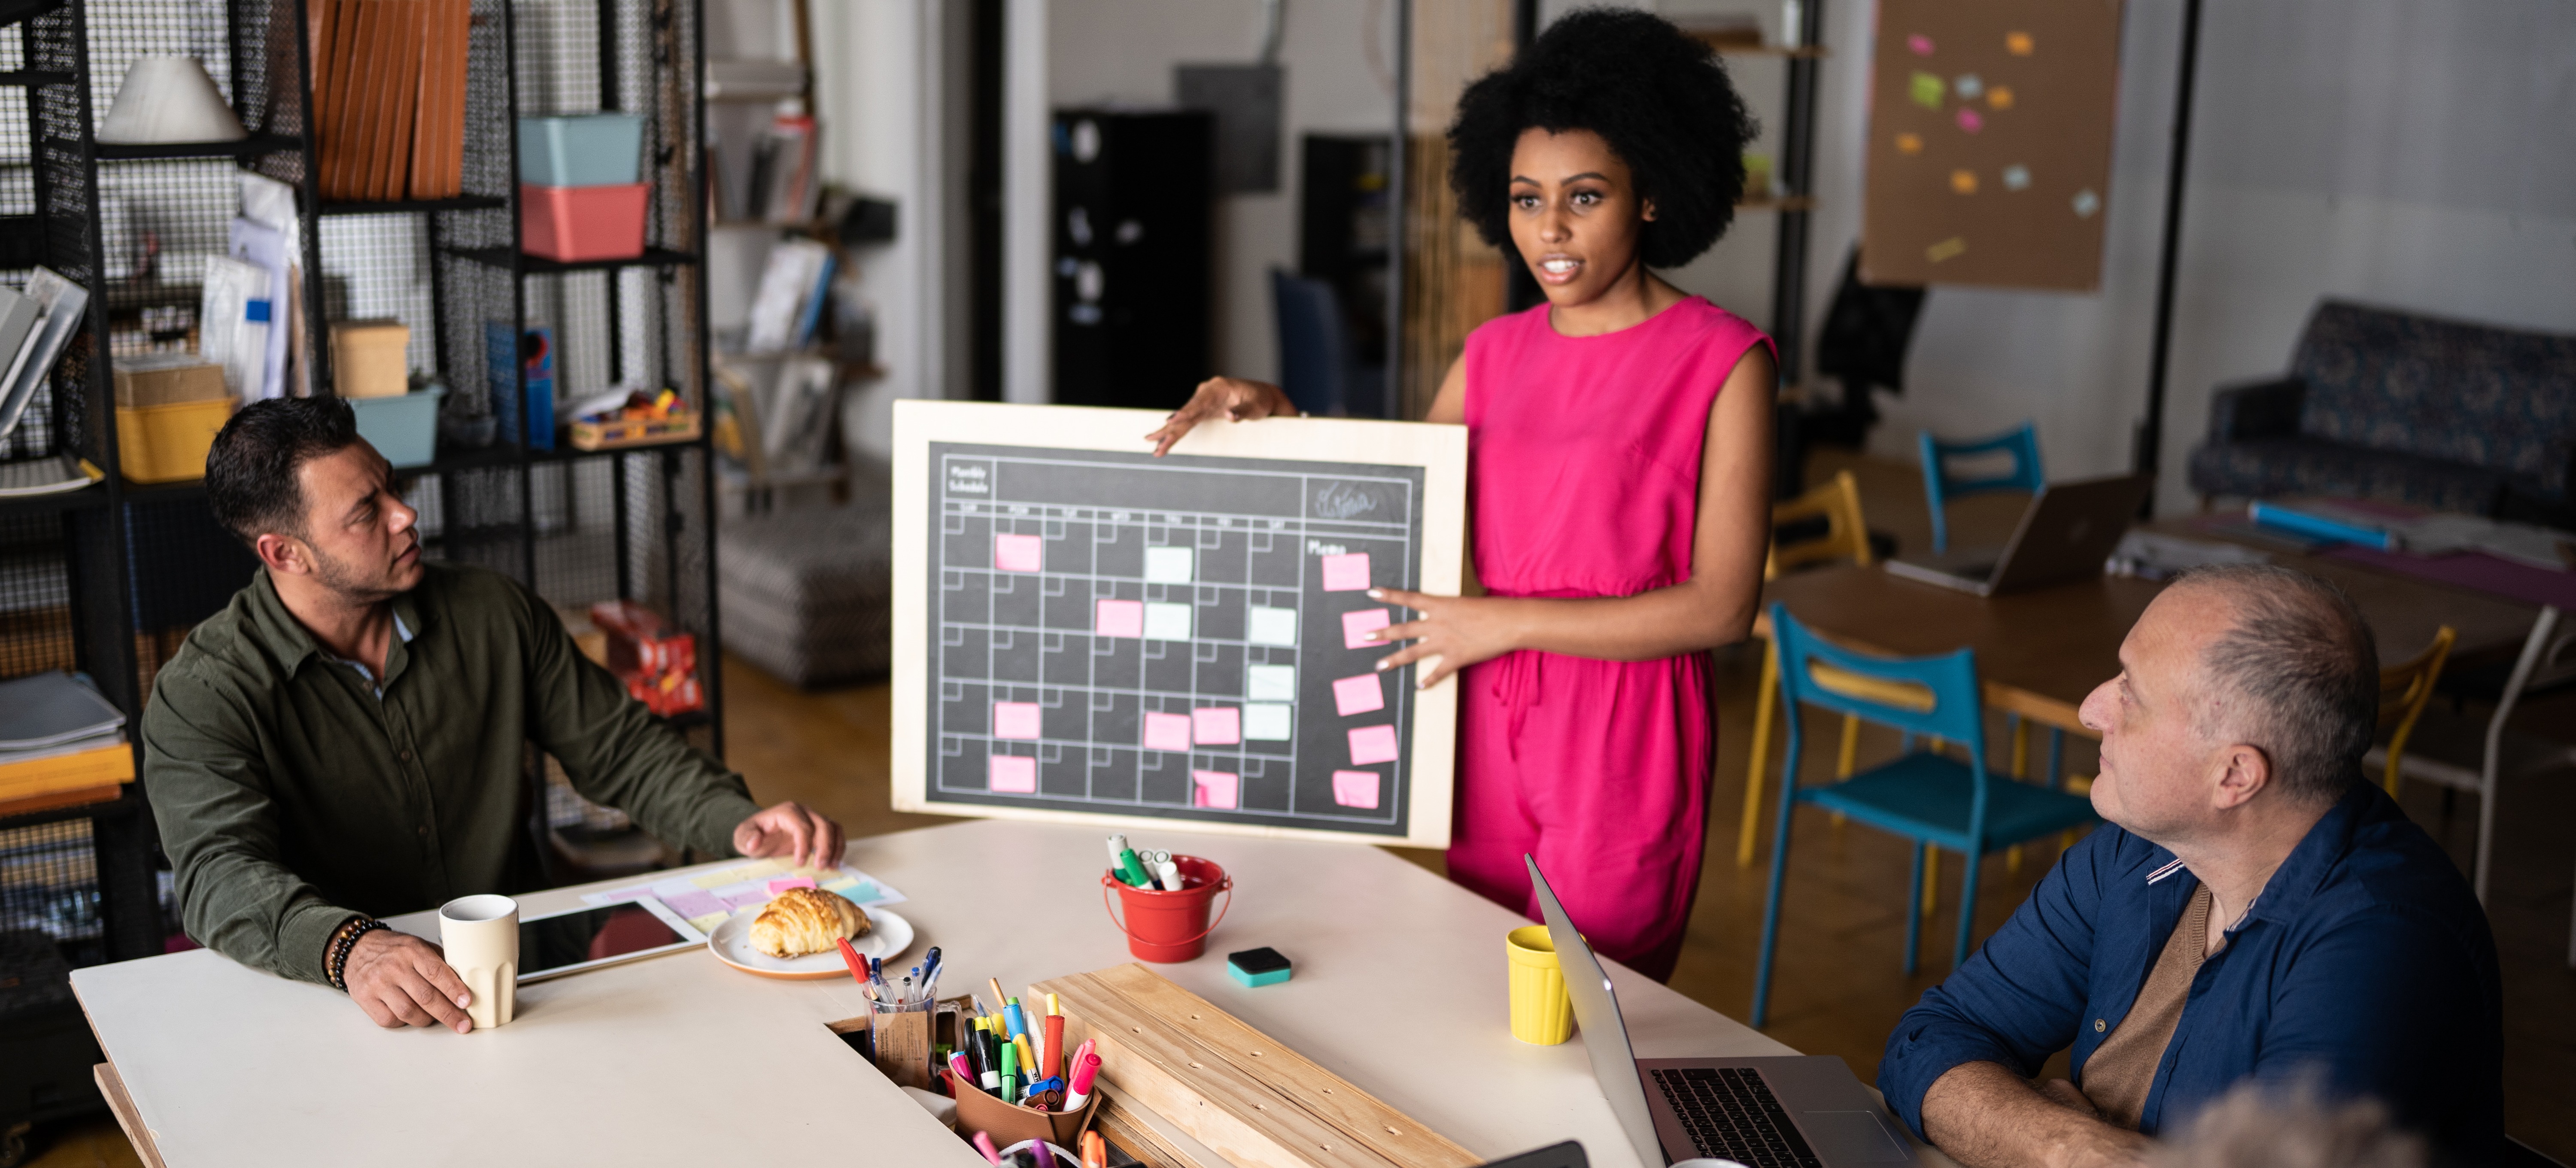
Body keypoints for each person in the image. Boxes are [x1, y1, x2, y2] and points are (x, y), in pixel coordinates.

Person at [1145, 9, 1772, 979]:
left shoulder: (1724, 362)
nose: (1549, 230)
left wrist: (1501, 623)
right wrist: (1275, 417)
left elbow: (1724, 606)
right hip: (1482, 713)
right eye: (1526, 199)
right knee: (1478, 983)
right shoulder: (1493, 352)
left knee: (1588, 1003)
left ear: (1652, 192)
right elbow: (1390, 489)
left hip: (1624, 733)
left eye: (1585, 196)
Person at [146, 397, 844, 1034]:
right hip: (347, 1002)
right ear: (283, 553)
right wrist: (346, 947)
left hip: (531, 979)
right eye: (366, 511)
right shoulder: (203, 690)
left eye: (392, 485)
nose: (404, 514)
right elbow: (218, 872)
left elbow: (621, 749)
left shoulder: (492, 611)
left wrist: (735, 819)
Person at [1878, 564, 2503, 1165]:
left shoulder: (2383, 945)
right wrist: (2071, 1149)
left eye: (2132, 693)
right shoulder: (2138, 849)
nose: (2092, 709)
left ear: (2234, 775)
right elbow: (1930, 1039)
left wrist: (2016, 1130)